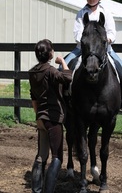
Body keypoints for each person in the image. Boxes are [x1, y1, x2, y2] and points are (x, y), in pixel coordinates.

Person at [64, 0, 122, 112]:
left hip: (104, 49)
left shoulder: (106, 13)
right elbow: (77, 33)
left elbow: (112, 31)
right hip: (82, 49)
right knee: (63, 67)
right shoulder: (81, 13)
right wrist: (87, 41)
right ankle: (66, 96)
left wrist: (108, 39)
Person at [28, 39, 72, 193]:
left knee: (41, 156)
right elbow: (67, 78)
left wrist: (39, 115)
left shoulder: (32, 72)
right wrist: (64, 62)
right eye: (52, 49)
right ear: (50, 53)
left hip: (41, 118)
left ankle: (37, 190)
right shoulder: (51, 70)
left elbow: (33, 97)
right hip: (53, 119)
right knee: (57, 157)